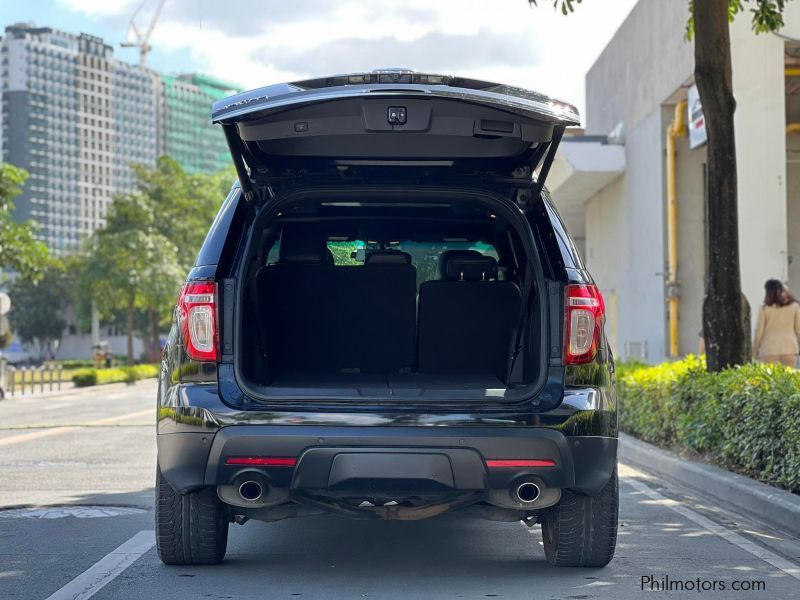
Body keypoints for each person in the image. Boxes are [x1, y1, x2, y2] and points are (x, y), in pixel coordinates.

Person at [752, 279, 800, 368]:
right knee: (788, 380)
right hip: (790, 349)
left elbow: (759, 332)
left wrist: (754, 352)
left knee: (771, 380)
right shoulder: (795, 306)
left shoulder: (764, 308)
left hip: (769, 350)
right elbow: (798, 330)